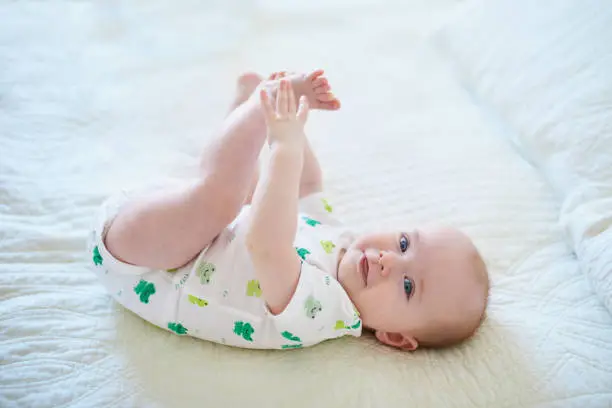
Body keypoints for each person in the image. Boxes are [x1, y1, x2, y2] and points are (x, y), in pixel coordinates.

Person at [89, 70, 489, 350]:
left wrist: (285, 145)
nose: (389, 261)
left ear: (396, 337)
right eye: (404, 243)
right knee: (244, 194)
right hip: (172, 227)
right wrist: (296, 118)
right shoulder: (342, 241)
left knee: (224, 198)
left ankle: (254, 108)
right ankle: (263, 105)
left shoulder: (324, 311)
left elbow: (266, 244)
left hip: (143, 264)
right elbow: (307, 186)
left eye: (407, 286)